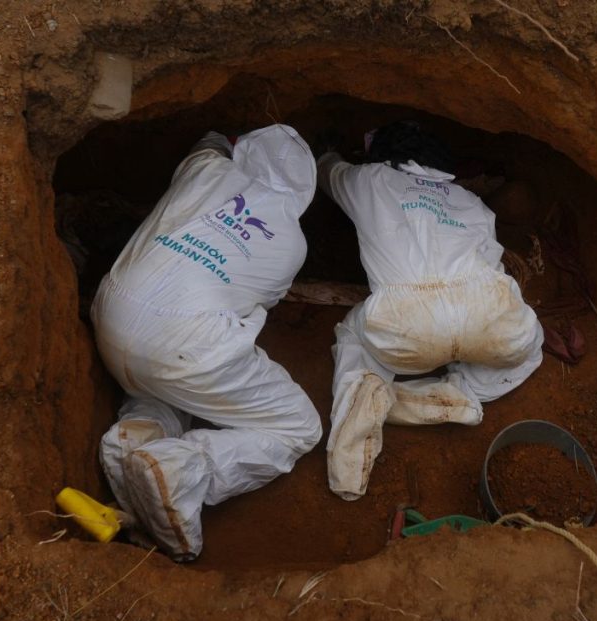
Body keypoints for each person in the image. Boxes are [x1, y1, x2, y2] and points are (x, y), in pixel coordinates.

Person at [92, 125, 321, 561]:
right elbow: (253, 303)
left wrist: (220, 139)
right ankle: (182, 470)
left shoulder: (205, 170)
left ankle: (140, 431)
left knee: (169, 376)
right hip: (179, 347)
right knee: (298, 427)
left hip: (111, 313)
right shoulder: (291, 242)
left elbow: (206, 144)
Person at [316, 121, 544, 500]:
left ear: (386, 158)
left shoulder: (370, 179)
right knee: (530, 347)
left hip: (407, 327)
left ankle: (350, 459)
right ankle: (463, 393)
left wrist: (326, 154)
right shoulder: (470, 201)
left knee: (354, 336)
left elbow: (328, 173)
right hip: (490, 316)